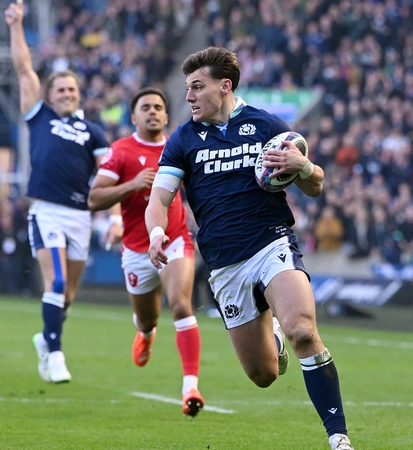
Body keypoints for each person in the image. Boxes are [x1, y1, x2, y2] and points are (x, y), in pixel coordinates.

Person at [145, 47, 353, 450]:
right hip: (224, 264)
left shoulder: (265, 125)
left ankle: (338, 437)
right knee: (263, 375)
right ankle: (270, 333)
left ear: (225, 87)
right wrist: (156, 233)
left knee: (304, 331)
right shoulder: (183, 139)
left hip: (271, 241)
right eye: (187, 87)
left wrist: (304, 167)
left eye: (197, 87)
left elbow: (315, 185)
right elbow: (159, 198)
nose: (188, 96)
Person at [5, 2, 110, 383]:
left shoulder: (94, 132)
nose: (67, 93)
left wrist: (113, 216)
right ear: (50, 95)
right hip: (46, 210)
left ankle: (46, 339)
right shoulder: (40, 116)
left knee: (66, 298)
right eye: (60, 89)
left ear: (79, 94)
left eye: (72, 89)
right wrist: (16, 26)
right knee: (57, 283)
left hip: (81, 215)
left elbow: (109, 174)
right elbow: (23, 69)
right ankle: (56, 356)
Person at [87, 87, 204, 417]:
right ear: (134, 116)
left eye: (158, 107)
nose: (152, 112)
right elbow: (95, 198)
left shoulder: (179, 145)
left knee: (181, 304)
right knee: (147, 317)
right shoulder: (121, 151)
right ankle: (146, 333)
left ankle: (190, 387)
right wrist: (133, 184)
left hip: (174, 238)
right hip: (137, 249)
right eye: (145, 107)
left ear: (166, 116)